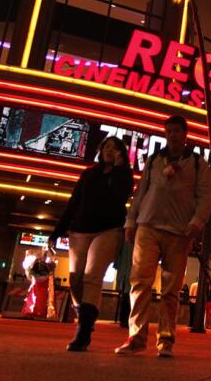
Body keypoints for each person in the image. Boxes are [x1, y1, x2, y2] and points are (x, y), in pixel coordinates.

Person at [115, 114, 211, 358]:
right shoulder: (154, 160)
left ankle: (166, 340)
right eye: (169, 131)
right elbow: (141, 193)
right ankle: (136, 337)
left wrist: (196, 222)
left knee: (171, 289)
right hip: (148, 225)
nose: (173, 135)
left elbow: (206, 196)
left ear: (185, 134)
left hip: (179, 231)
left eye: (177, 131)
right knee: (140, 282)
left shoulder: (198, 163)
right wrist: (130, 221)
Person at [53, 135, 135, 351]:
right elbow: (74, 202)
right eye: (106, 147)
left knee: (92, 275)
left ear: (121, 153)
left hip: (109, 230)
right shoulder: (89, 173)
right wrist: (56, 232)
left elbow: (121, 196)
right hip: (80, 230)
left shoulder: (124, 175)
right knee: (75, 278)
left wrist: (119, 168)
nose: (110, 150)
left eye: (114, 148)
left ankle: (83, 331)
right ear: (100, 150)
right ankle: (84, 315)